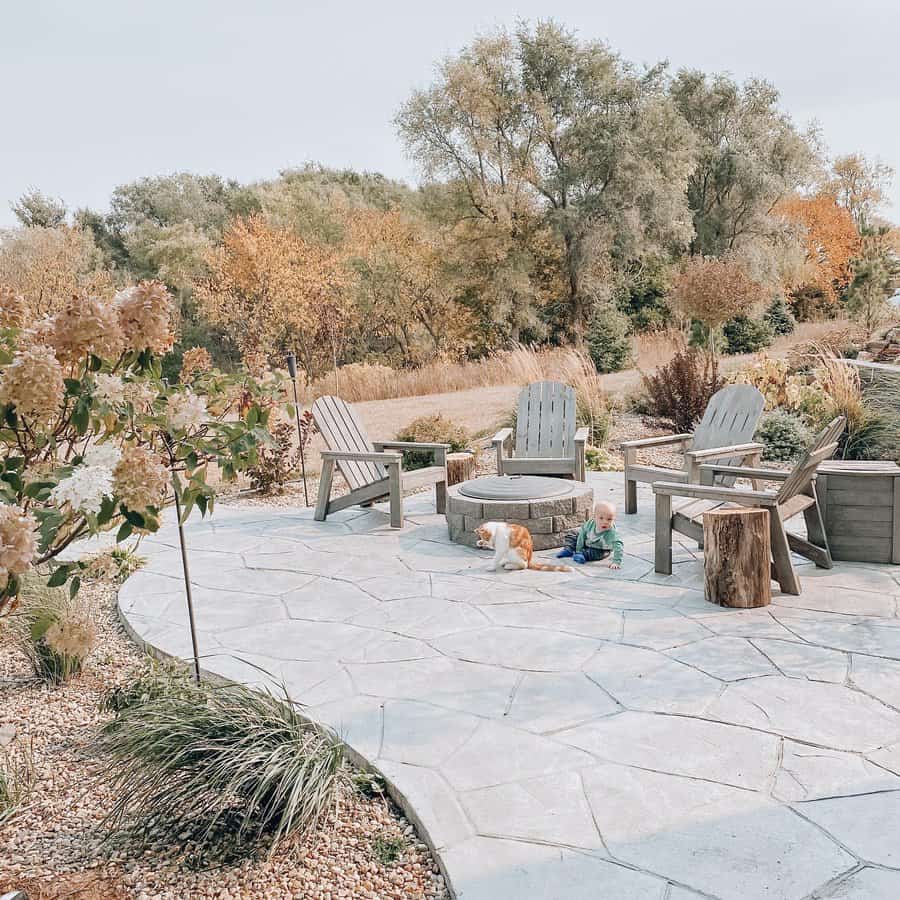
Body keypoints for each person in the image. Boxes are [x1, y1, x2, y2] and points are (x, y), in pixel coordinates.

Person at [557, 500, 623, 568]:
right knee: (573, 534)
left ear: (614, 519)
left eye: (609, 519)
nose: (605, 522)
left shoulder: (612, 532)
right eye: (601, 518)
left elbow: (618, 546)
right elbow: (582, 535)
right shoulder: (590, 524)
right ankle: (569, 549)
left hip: (601, 548)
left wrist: (616, 562)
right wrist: (578, 549)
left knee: (597, 553)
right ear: (594, 517)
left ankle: (583, 555)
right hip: (587, 542)